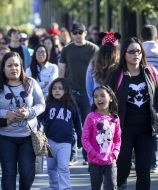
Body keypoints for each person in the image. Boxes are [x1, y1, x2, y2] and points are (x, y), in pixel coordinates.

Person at [0, 52, 45, 190]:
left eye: (16, 65)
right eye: (9, 65)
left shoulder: (31, 83)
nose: (13, 68)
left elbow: (41, 105)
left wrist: (29, 113)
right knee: (9, 174)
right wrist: (5, 114)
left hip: (28, 137)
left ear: (21, 67)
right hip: (5, 138)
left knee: (27, 173)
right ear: (3, 68)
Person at [106, 37, 158, 189]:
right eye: (131, 51)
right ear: (124, 54)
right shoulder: (116, 75)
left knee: (144, 170)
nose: (136, 54)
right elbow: (106, 98)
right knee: (123, 168)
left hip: (146, 130)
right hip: (123, 130)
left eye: (138, 51)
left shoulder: (150, 73)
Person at [59, 22, 99, 165]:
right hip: (71, 92)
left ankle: (88, 155)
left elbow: (99, 71)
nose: (77, 35)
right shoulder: (66, 49)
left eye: (80, 32)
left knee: (88, 124)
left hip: (90, 93)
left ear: (85, 33)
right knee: (71, 124)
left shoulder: (94, 49)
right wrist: (61, 90)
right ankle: (72, 155)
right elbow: (61, 71)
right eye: (74, 33)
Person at [40, 78, 82, 189]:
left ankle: (65, 187)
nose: (57, 91)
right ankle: (54, 186)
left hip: (66, 142)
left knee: (63, 166)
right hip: (49, 141)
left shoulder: (71, 105)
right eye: (54, 89)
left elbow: (78, 123)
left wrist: (80, 139)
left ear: (66, 90)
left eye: (60, 88)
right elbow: (39, 118)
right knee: (51, 168)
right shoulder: (47, 104)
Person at [82, 85, 121, 190]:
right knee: (96, 187)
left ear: (111, 98)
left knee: (111, 186)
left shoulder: (115, 118)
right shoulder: (90, 117)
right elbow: (84, 139)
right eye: (95, 96)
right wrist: (93, 153)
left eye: (102, 95)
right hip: (94, 162)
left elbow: (117, 139)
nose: (99, 99)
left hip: (110, 161)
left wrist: (115, 153)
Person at [86, 32, 121, 104]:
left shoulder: (93, 63)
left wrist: (93, 100)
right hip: (117, 103)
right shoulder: (120, 64)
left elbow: (88, 86)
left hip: (98, 103)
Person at [141, 25, 158, 173]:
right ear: (156, 37)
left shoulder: (138, 51)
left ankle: (151, 161)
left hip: (145, 92)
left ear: (141, 37)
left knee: (150, 127)